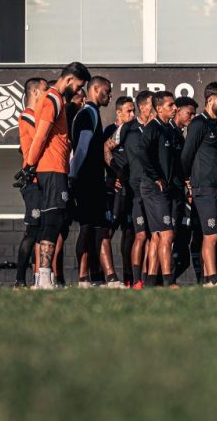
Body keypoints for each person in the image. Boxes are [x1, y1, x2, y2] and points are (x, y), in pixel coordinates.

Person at [15, 62, 91, 290]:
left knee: (52, 221)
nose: (79, 91)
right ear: (69, 80)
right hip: (52, 168)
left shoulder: (56, 100)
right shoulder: (53, 99)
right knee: (52, 221)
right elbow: (40, 135)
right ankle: (44, 278)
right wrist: (29, 165)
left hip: (54, 168)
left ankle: (43, 278)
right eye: (78, 86)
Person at [69, 76, 124, 288]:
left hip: (95, 182)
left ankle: (108, 277)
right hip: (86, 182)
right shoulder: (87, 113)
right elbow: (81, 148)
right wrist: (74, 176)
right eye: (107, 91)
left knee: (99, 228)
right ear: (95, 89)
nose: (110, 95)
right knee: (87, 228)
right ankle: (83, 277)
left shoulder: (93, 113)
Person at [181, 82, 217, 288]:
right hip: (203, 189)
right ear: (210, 101)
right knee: (211, 235)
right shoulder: (198, 124)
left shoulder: (215, 125)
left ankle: (211, 277)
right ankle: (212, 280)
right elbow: (186, 157)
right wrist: (188, 183)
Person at [135, 91, 180, 288]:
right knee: (167, 234)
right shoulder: (152, 127)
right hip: (153, 188)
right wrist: (156, 177)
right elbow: (141, 152)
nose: (175, 108)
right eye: (170, 105)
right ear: (159, 108)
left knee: (157, 236)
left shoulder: (169, 129)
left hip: (166, 189)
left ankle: (151, 281)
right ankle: (169, 281)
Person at [14, 77, 48, 289]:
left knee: (45, 229)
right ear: (35, 93)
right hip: (33, 183)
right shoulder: (28, 116)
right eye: (45, 90)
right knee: (32, 230)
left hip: (44, 179)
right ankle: (19, 280)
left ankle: (40, 278)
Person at [123, 90, 155, 289]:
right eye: (153, 104)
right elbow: (107, 147)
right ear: (143, 107)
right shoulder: (128, 128)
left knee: (154, 236)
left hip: (154, 190)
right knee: (141, 235)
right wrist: (117, 175)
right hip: (136, 191)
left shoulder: (157, 127)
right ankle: (136, 279)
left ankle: (147, 278)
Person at [104, 96, 136, 285]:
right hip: (114, 190)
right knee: (108, 231)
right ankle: (103, 274)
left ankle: (128, 278)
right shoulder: (110, 131)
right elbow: (102, 153)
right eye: (128, 111)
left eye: (134, 111)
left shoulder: (133, 131)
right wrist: (113, 176)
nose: (132, 115)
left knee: (130, 232)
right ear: (118, 112)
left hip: (131, 190)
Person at [171, 96, 198, 282]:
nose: (192, 117)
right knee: (168, 242)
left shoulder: (183, 134)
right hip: (167, 197)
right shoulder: (166, 131)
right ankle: (158, 281)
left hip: (183, 197)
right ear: (177, 111)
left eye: (195, 114)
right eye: (189, 113)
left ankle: (165, 281)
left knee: (183, 256)